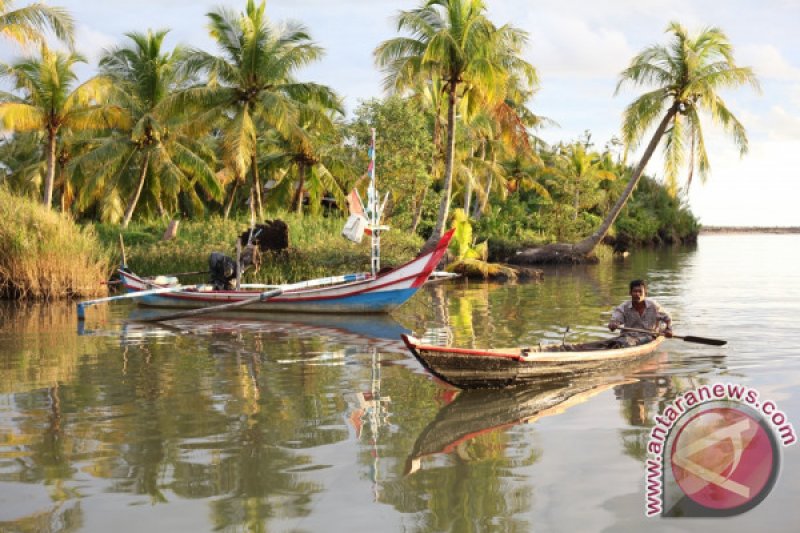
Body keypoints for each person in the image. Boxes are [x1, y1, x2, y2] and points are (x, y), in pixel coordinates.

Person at [608, 279, 673, 346]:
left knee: (626, 343)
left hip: (648, 336)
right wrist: (613, 324)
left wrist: (668, 329)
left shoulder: (653, 306)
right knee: (608, 343)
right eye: (635, 291)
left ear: (645, 294)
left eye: (640, 291)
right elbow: (616, 319)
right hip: (626, 337)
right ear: (630, 293)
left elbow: (667, 318)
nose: (637, 294)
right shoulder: (624, 307)